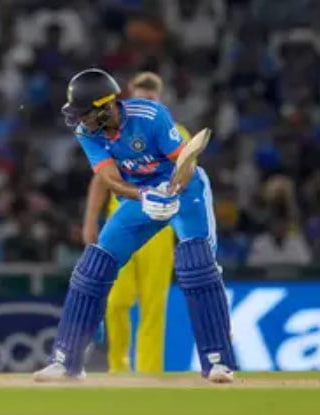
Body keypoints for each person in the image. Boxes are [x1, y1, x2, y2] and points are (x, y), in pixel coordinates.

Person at [34, 68, 235, 383]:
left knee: (198, 264)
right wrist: (144, 195)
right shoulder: (87, 132)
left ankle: (217, 361)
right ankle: (66, 361)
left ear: (105, 106)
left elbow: (186, 162)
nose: (80, 120)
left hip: (185, 190)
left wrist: (172, 191)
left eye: (85, 113)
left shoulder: (151, 115)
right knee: (93, 267)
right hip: (141, 196)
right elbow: (110, 179)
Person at [82, 72, 191, 373]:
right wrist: (90, 219)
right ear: (129, 95)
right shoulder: (111, 129)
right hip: (122, 222)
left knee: (153, 305)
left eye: (151, 100)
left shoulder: (173, 129)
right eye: (141, 98)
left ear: (160, 99)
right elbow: (101, 178)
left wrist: (186, 230)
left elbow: (187, 179)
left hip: (159, 228)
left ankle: (149, 372)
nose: (146, 104)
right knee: (116, 301)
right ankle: (118, 368)